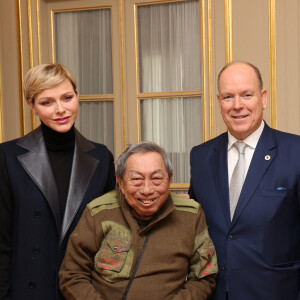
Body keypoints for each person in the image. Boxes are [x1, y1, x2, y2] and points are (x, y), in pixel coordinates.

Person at [0, 63, 116, 300]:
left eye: (67, 97)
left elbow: (110, 236)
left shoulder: (102, 157)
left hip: (84, 290)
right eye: (47, 102)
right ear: (32, 106)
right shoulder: (7, 157)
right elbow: (2, 241)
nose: (61, 109)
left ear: (77, 96)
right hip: (28, 290)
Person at [189, 61, 300, 300]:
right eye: (228, 97)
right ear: (219, 102)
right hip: (214, 293)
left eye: (246, 95)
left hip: (277, 292)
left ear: (263, 98)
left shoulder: (295, 152)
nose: (237, 106)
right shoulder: (200, 157)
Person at [59, 141, 218, 300]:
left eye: (156, 178)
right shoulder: (98, 212)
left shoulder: (190, 214)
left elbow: (203, 277)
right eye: (136, 179)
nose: (147, 190)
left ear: (169, 180)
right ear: (120, 182)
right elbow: (72, 275)